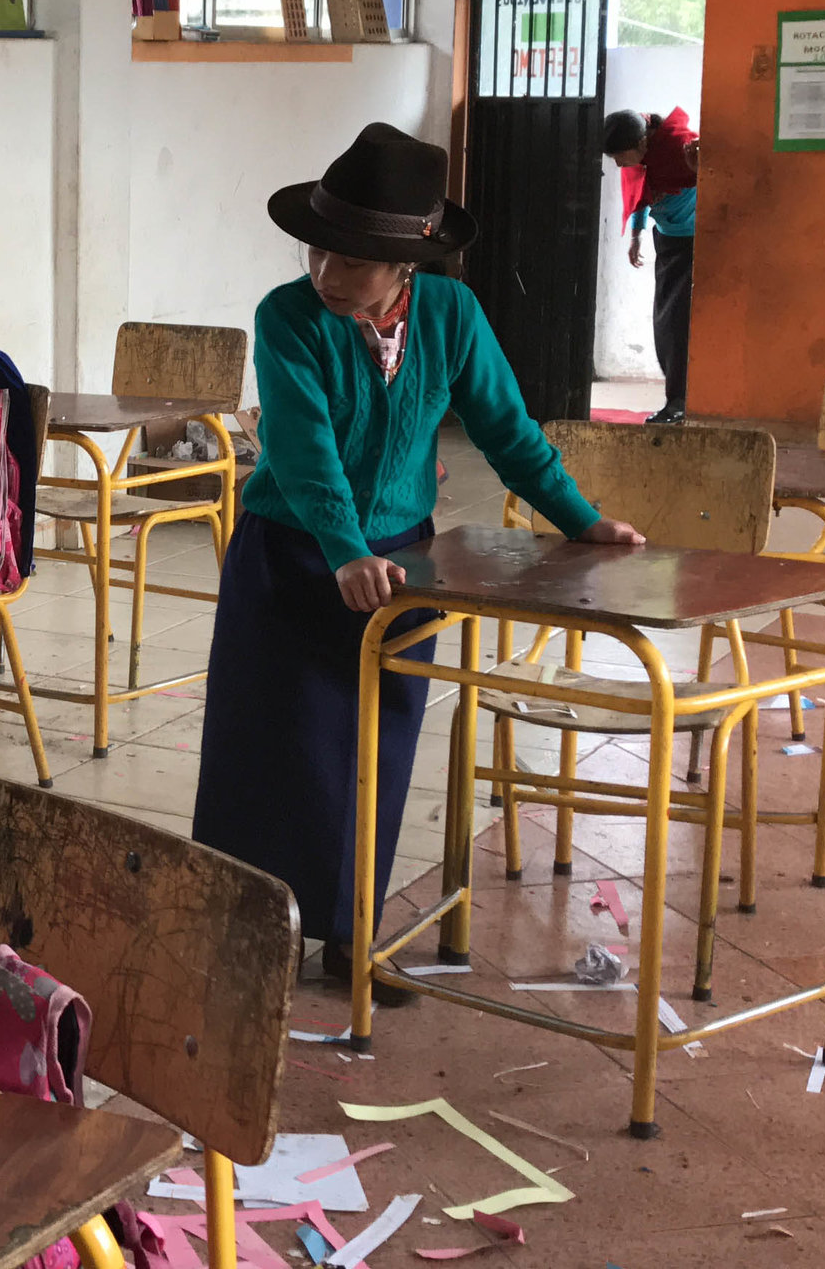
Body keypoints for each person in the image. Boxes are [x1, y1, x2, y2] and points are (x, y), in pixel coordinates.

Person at [191, 123, 644, 998]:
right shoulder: (286, 318)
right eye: (317, 249)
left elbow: (508, 431)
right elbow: (303, 445)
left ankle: (350, 935)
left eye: (351, 260)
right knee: (267, 752)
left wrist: (580, 519)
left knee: (373, 756)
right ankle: (246, 929)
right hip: (290, 560)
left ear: (407, 267)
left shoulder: (453, 317)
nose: (326, 272)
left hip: (399, 571)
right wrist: (343, 549)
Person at [602, 107, 700, 425]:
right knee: (665, 323)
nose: (618, 165)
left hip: (693, 243)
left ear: (643, 144)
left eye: (620, 157)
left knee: (677, 324)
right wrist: (636, 236)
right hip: (668, 241)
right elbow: (641, 196)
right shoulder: (643, 155)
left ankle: (679, 403)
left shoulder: (680, 148)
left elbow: (716, 173)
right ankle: (678, 399)